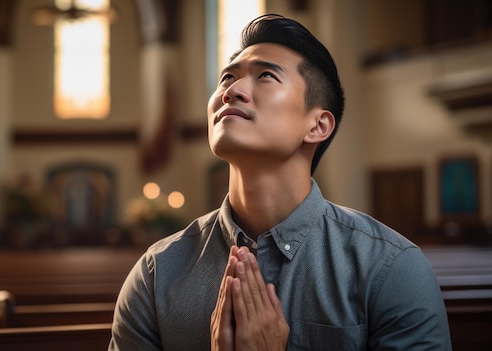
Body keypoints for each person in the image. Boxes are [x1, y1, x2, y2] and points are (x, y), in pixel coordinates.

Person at [109, 14, 451, 350]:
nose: (232, 91)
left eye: (266, 76)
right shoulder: (156, 273)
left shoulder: (390, 268)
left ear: (317, 126)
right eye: (227, 78)